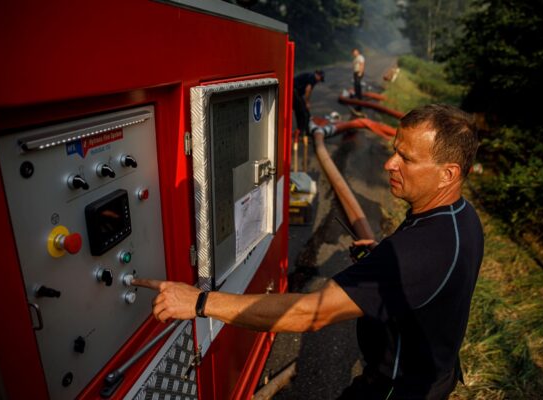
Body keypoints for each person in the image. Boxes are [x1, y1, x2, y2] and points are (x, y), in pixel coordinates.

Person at [133, 104, 484, 399]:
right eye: (394, 150)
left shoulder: (419, 251)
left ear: (447, 174)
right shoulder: (462, 217)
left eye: (405, 158)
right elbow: (426, 278)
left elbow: (309, 314)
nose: (389, 164)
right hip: (433, 374)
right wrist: (381, 258)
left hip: (399, 388)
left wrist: (198, 302)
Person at [293, 69, 325, 136]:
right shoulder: (312, 78)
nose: (319, 81)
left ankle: (301, 130)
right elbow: (308, 89)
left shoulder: (310, 77)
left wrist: (306, 102)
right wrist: (307, 102)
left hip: (295, 92)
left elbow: (309, 91)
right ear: (317, 75)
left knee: (301, 111)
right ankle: (303, 132)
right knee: (303, 112)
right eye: (320, 78)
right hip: (294, 91)